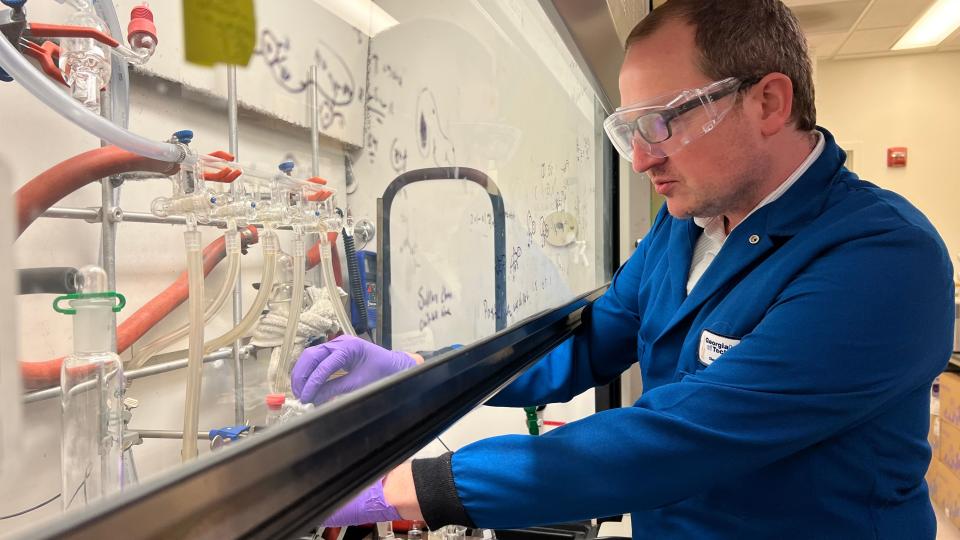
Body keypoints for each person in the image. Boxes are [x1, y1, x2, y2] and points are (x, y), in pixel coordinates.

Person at [291, 0, 955, 537]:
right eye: (629, 129)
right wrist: (420, 375)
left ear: (769, 103)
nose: (641, 159)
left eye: (663, 121)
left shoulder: (881, 261)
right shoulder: (684, 224)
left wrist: (411, 489)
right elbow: (586, 346)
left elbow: (678, 439)